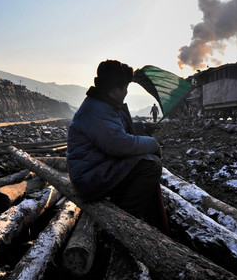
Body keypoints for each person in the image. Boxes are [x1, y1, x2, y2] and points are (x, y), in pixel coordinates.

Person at [66, 60, 168, 232]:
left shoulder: (101, 104)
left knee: (141, 162)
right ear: (115, 90)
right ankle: (123, 223)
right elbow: (119, 144)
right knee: (151, 165)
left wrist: (142, 128)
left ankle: (135, 216)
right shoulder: (98, 109)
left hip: (96, 170)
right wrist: (153, 144)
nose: (126, 92)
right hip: (89, 179)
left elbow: (113, 131)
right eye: (125, 88)